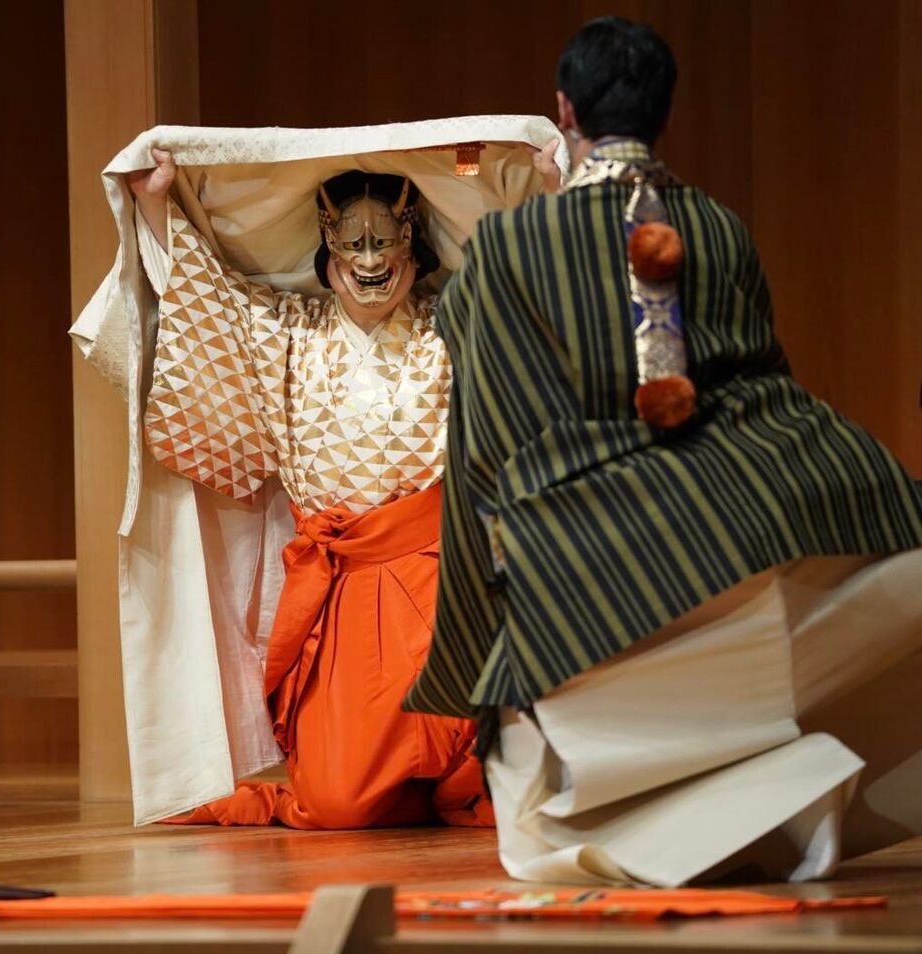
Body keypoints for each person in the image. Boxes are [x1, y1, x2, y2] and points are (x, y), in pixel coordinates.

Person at [407, 17, 922, 886]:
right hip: (763, 513)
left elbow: (488, 436)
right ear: (664, 113)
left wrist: (473, 631)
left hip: (604, 549)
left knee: (532, 754)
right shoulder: (719, 225)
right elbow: (764, 380)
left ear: (564, 110)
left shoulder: (509, 244)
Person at [127, 145, 558, 829]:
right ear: (327, 248)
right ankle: (386, 787)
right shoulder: (288, 332)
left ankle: (448, 776)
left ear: (412, 243)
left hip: (444, 576)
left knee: (486, 769)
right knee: (338, 801)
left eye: (384, 243)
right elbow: (203, 295)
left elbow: (536, 288)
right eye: (352, 244)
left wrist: (555, 191)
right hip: (345, 586)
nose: (369, 261)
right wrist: (155, 201)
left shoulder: (455, 324)